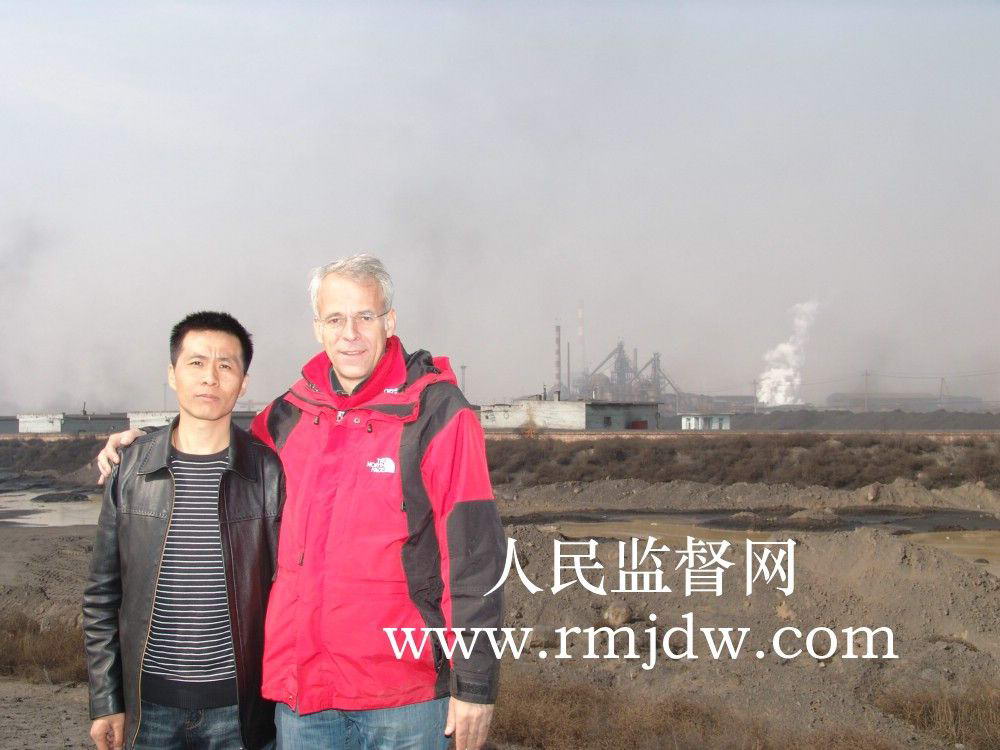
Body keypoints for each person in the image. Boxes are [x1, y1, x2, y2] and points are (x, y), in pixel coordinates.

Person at [97, 256, 505, 750]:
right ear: (318, 328)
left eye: (365, 316)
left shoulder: (437, 413)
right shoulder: (289, 416)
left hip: (405, 701)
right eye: (335, 319)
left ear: (389, 321)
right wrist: (143, 446)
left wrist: (474, 684)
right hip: (303, 701)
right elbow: (216, 444)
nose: (350, 333)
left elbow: (475, 558)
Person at [85, 311, 284, 750]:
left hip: (239, 712)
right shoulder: (130, 469)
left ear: (243, 383)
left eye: (225, 365)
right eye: (196, 362)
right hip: (148, 710)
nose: (210, 377)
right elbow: (101, 597)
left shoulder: (268, 473)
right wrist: (106, 700)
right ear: (172, 374)